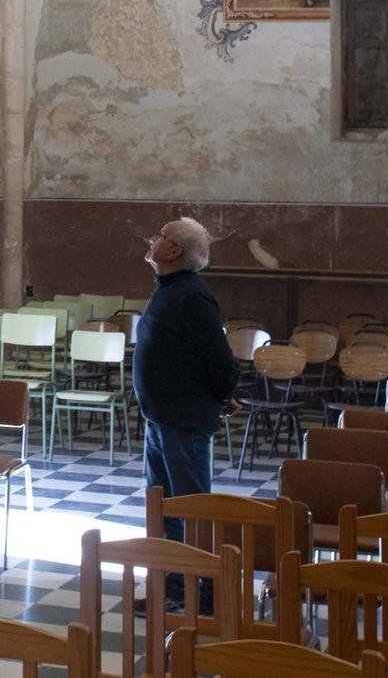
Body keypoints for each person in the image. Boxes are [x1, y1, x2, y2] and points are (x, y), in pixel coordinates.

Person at [133, 217, 237, 569]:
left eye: (160, 235)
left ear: (174, 250)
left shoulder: (192, 296)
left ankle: (202, 594)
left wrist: (222, 396)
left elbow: (220, 361)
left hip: (183, 424)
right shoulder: (169, 288)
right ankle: (172, 587)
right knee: (164, 512)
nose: (153, 239)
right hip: (162, 420)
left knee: (191, 512)